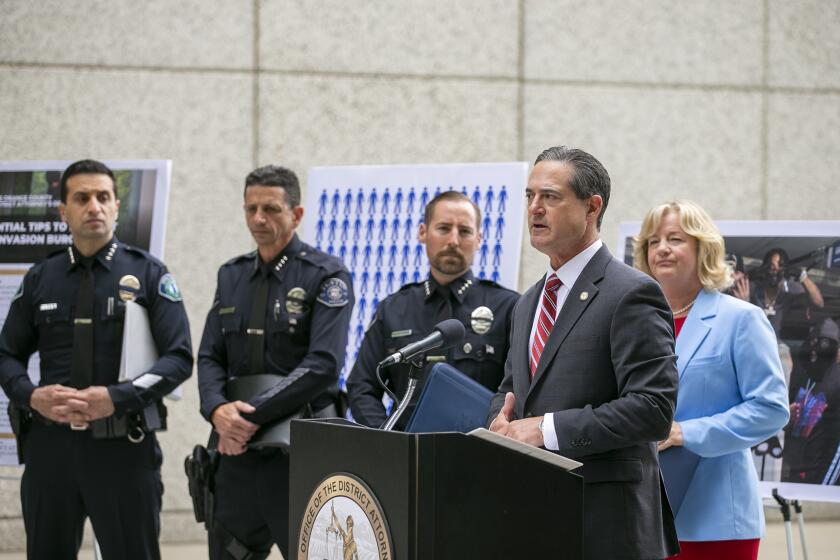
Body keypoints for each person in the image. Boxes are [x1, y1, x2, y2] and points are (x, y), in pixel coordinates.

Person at [488, 146, 679, 560]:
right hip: (533, 520)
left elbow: (652, 409)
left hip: (608, 527)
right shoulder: (528, 302)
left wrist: (545, 430)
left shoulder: (631, 292)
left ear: (593, 207)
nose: (535, 208)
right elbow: (509, 390)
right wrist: (497, 422)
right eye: (529, 196)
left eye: (550, 197)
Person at [0, 159, 193, 560]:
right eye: (82, 198)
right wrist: (31, 396)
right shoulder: (41, 277)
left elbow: (178, 359)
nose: (94, 207)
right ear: (63, 211)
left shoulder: (149, 274)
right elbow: (6, 355)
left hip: (123, 449)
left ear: (117, 207)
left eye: (104, 197)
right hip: (51, 453)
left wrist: (116, 397)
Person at [197, 165, 354, 559]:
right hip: (234, 454)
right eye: (251, 209)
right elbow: (210, 355)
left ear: (296, 214)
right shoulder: (231, 275)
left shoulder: (326, 274)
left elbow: (323, 364)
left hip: (297, 454)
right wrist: (217, 410)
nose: (258, 219)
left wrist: (248, 416)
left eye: (270, 209)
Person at [634, 200, 789, 560]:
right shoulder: (633, 323)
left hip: (716, 519)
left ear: (703, 248)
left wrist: (684, 433)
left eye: (675, 238)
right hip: (641, 512)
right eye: (653, 241)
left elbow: (771, 408)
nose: (662, 249)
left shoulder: (741, 319)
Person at [347, 191, 518, 428]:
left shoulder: (507, 306)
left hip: (478, 452)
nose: (453, 241)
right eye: (444, 228)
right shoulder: (394, 308)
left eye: (465, 231)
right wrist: (386, 438)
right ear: (422, 233)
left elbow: (517, 389)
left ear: (479, 239)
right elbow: (361, 385)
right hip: (404, 453)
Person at [782, 317, 840, 484]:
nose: (814, 350)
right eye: (812, 343)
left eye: (823, 345)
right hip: (797, 470)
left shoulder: (835, 382)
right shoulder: (804, 376)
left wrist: (825, 486)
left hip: (819, 476)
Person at [747, 248, 823, 339]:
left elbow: (819, 303)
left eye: (780, 266)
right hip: (752, 338)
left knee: (784, 352)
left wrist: (802, 276)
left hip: (774, 341)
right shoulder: (754, 286)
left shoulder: (790, 287)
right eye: (771, 266)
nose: (775, 270)